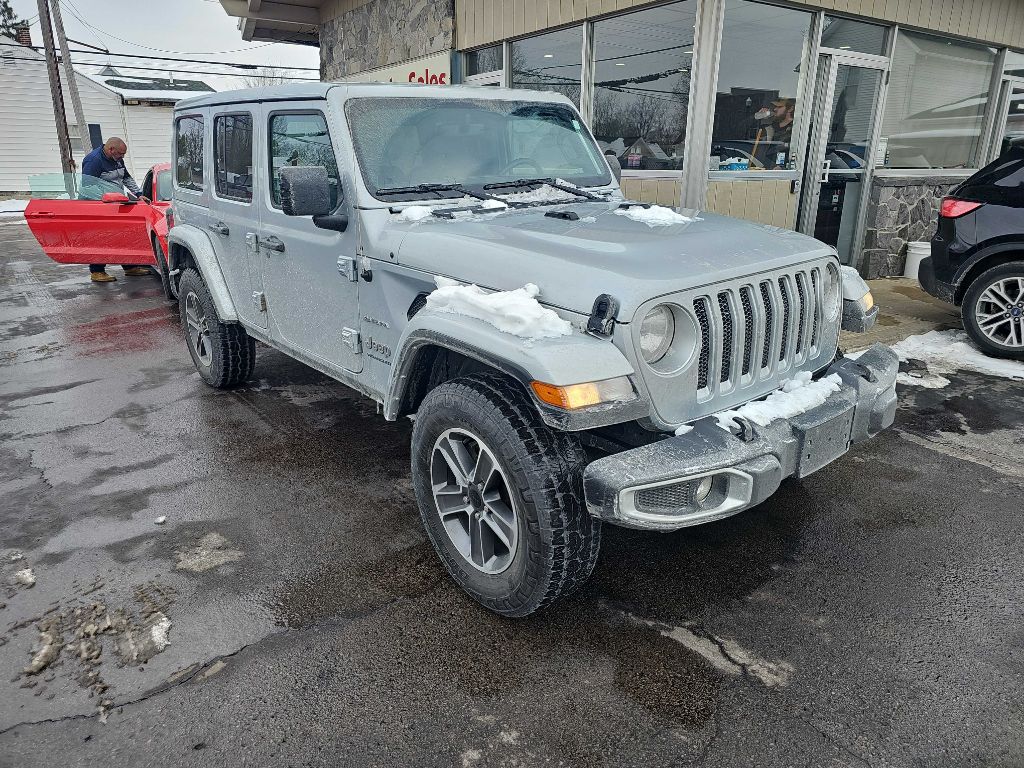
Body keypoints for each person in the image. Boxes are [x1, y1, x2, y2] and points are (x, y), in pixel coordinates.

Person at [80, 137, 152, 283]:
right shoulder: (94, 160)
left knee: (123, 234)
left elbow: (126, 178)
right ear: (111, 149)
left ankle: (130, 267)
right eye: (120, 154)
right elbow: (87, 187)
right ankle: (97, 271)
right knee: (101, 237)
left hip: (117, 203)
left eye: (123, 154)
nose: (122, 157)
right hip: (100, 205)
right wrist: (108, 197)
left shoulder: (117, 159)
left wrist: (139, 194)